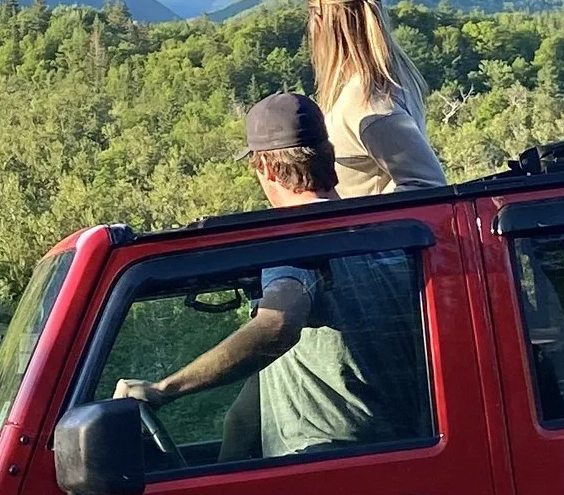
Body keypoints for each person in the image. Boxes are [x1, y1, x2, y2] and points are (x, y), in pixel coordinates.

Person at [117, 93, 427, 458]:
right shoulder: (392, 236)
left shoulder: (293, 244)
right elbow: (245, 416)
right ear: (328, 155)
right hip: (404, 453)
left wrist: (164, 389)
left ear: (263, 167)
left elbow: (277, 325)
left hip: (321, 466)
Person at [306, 0, 445, 198]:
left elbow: (427, 185)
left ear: (320, 24)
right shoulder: (392, 77)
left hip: (372, 234)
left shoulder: (367, 104)